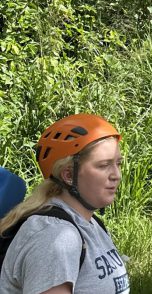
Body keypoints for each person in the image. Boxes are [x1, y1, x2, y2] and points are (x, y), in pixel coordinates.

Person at [0, 113, 129, 294]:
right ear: (68, 175)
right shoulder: (54, 237)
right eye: (103, 165)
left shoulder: (90, 224)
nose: (116, 175)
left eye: (118, 164)